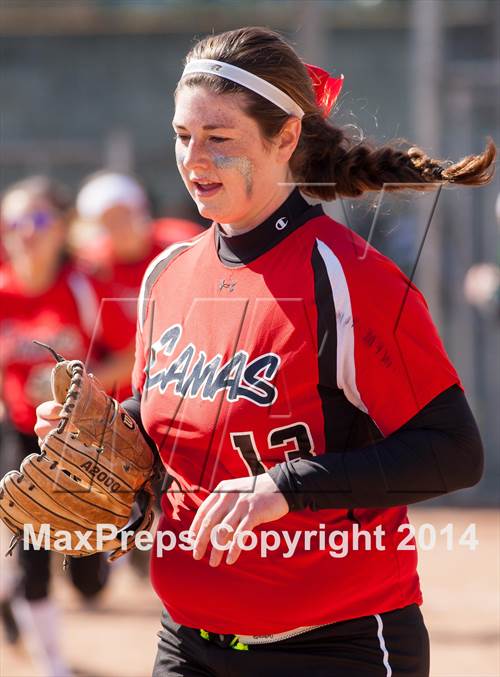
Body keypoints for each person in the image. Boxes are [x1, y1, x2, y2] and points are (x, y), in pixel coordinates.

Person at [35, 26, 494, 677]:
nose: (194, 159)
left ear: (285, 139)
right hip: (189, 642)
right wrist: (106, 434)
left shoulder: (346, 279)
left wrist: (287, 487)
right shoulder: (168, 274)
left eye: (219, 140)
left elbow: (454, 449)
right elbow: (173, 421)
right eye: (182, 135)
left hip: (336, 644)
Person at [0, 175, 136, 676]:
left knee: (87, 580)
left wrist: (78, 389)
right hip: (23, 436)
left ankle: (88, 568)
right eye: (13, 221)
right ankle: (52, 664)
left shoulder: (82, 287)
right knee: (31, 550)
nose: (24, 233)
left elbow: (130, 352)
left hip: (83, 442)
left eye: (36, 220)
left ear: (60, 228)